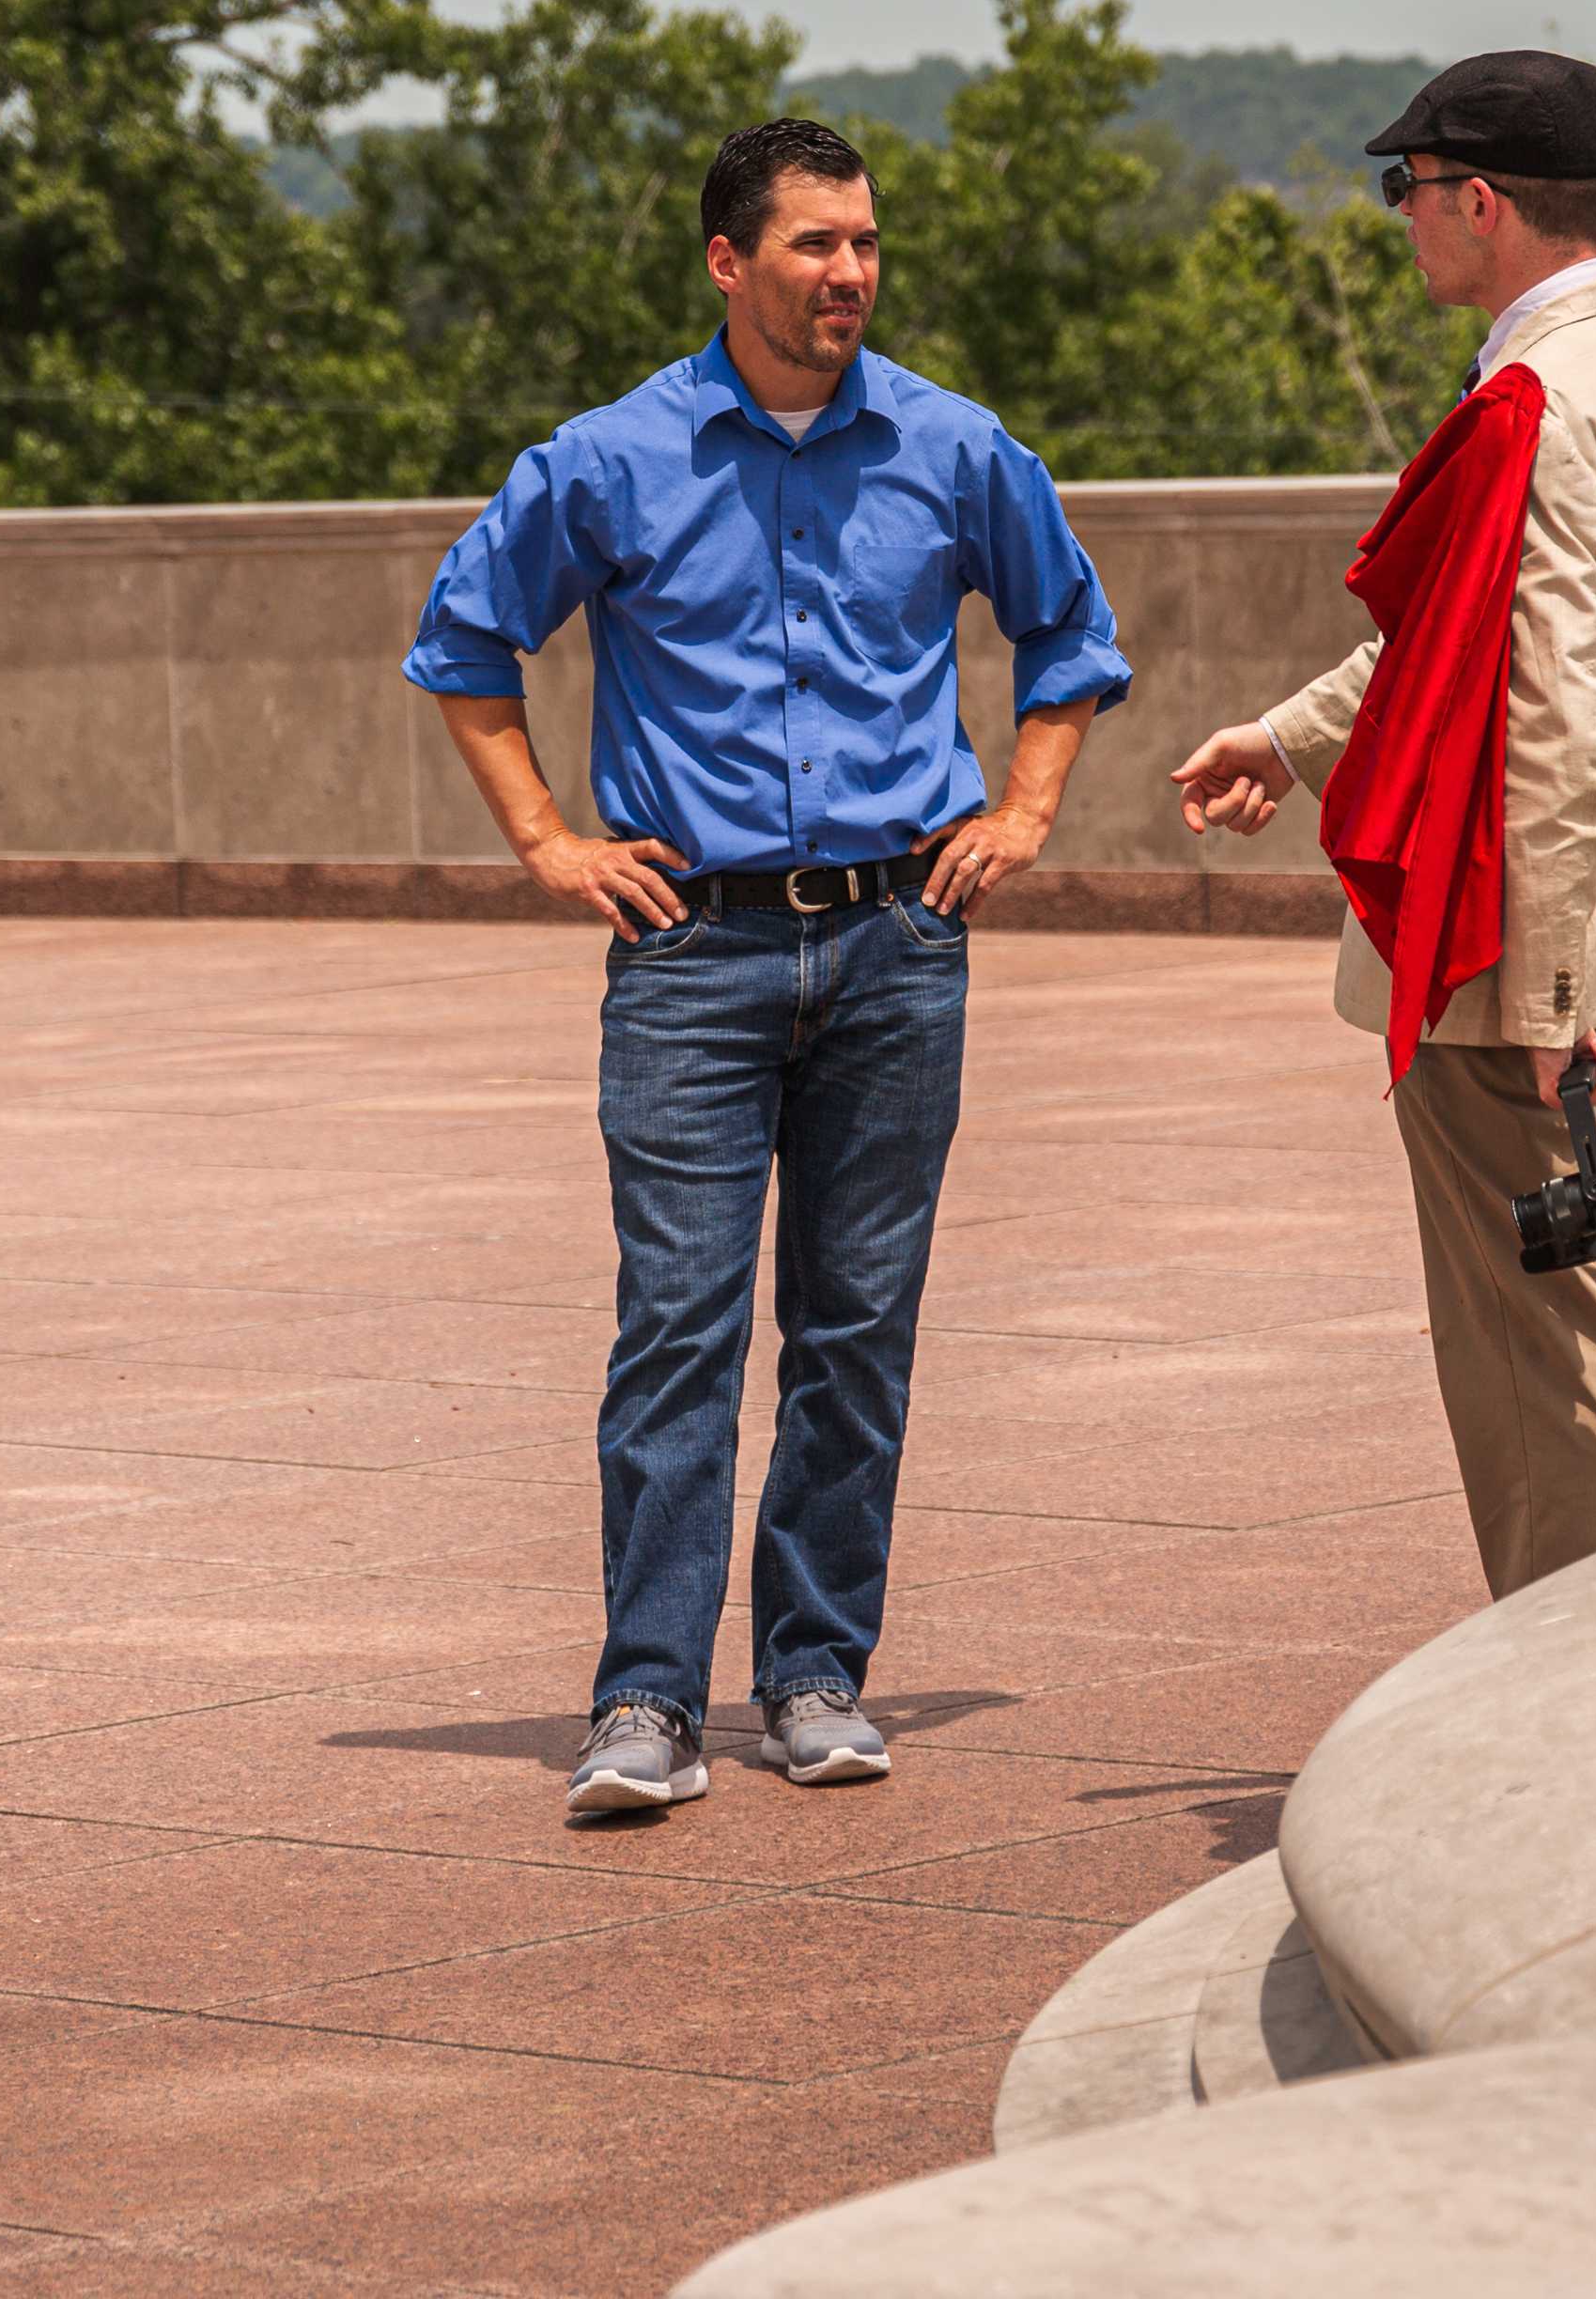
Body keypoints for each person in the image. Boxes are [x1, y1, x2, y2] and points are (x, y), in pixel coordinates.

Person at [407, 117, 1130, 1821]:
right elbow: (464, 642)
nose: (850, 275)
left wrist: (1024, 808)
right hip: (691, 956)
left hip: (898, 944)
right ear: (731, 263)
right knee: (677, 1328)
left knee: (855, 1329)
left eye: (865, 243)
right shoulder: (609, 459)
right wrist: (547, 841)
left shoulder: (953, 451)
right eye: (814, 245)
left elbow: (1070, 639)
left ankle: (816, 1676)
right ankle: (648, 1705)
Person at [1167, 50, 1596, 1601]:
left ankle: (1584, 1699)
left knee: (1533, 1366)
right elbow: (1467, 639)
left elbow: (1557, 720)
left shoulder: (1532, 404)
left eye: (1408, 190)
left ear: (1480, 200)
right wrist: (1293, 742)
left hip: (1517, 966)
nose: (1402, 219)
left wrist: (1550, 1007)